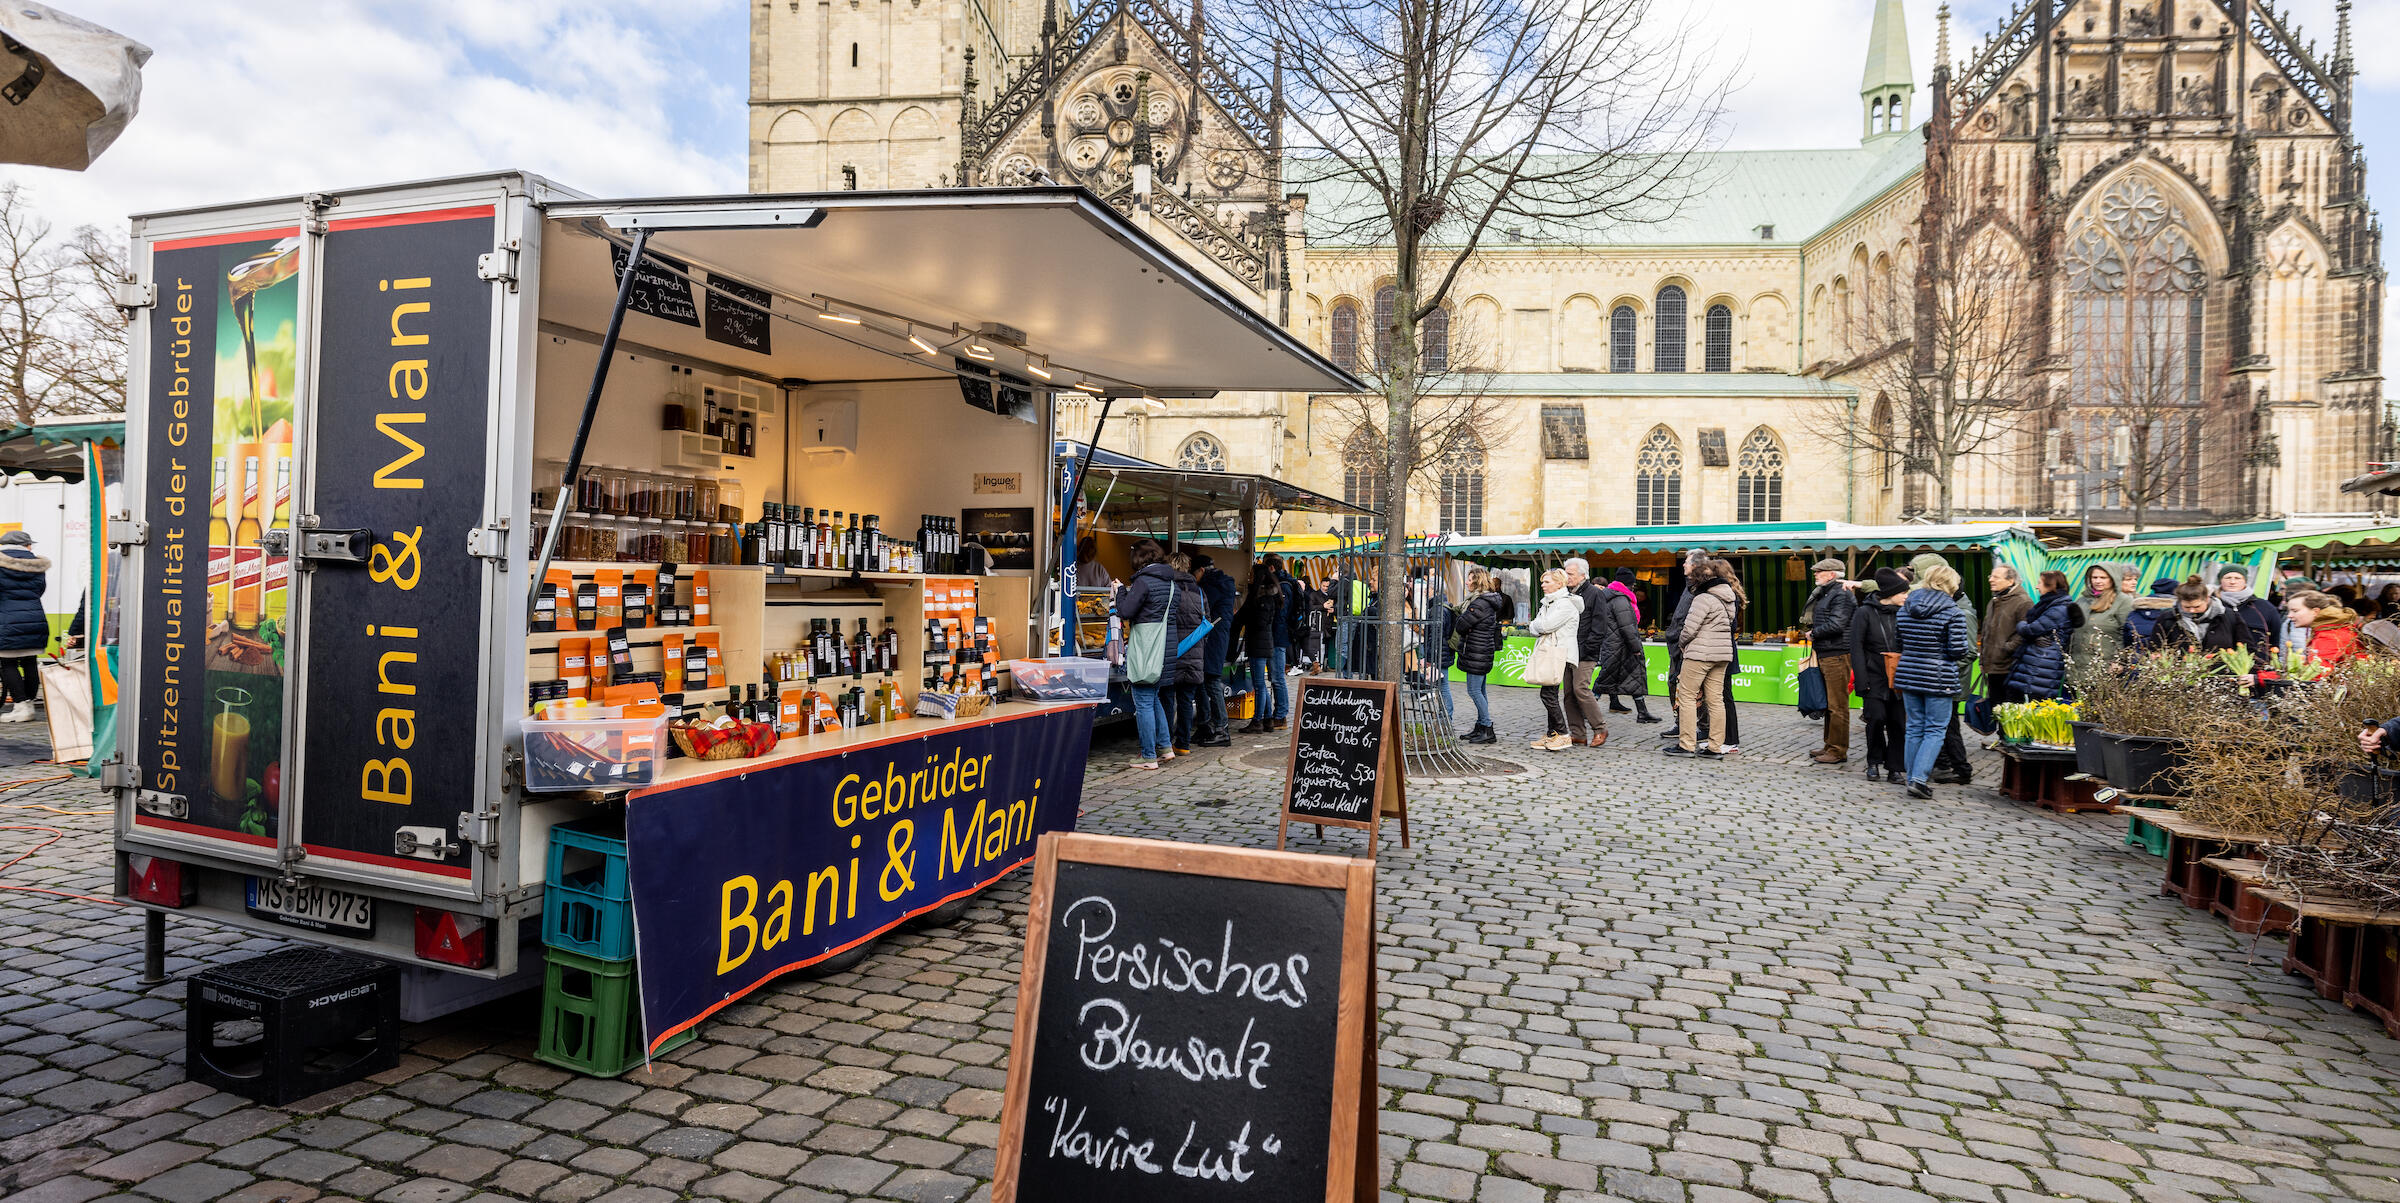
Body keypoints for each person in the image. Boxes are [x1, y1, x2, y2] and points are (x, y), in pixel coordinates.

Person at [1894, 564, 1974, 799]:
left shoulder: (1906, 607)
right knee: (1935, 729)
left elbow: (1898, 642)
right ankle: (1919, 779)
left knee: (1914, 728)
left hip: (1909, 673)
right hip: (1939, 677)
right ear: (1951, 584)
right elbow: (1959, 650)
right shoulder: (1953, 612)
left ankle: (1911, 777)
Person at [1113, 538, 1178, 768]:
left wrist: (1120, 590)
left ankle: (1149, 756)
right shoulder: (1171, 582)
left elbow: (1125, 611)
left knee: (1143, 702)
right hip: (1165, 650)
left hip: (1147, 650)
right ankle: (1165, 747)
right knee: (1154, 698)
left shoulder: (1144, 581)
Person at [1667, 560, 1737, 759]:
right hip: (1722, 653)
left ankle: (1686, 744)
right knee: (1716, 700)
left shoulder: (1703, 598)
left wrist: (1682, 644)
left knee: (1687, 696)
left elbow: (1689, 629)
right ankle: (1715, 747)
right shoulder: (1728, 597)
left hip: (1700, 653)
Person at [1848, 568, 1910, 783]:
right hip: (1873, 676)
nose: (1906, 596)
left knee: (1898, 724)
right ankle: (1873, 762)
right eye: (1903, 592)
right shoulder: (1864, 612)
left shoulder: (1905, 612)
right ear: (1891, 593)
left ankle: (1895, 768)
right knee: (1876, 720)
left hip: (1900, 677)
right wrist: (1861, 680)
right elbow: (1856, 647)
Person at [1803, 558, 1857, 765]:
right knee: (1830, 705)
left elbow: (1837, 624)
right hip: (1829, 651)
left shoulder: (1840, 594)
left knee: (1837, 705)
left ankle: (1837, 750)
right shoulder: (1830, 593)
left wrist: (1814, 633)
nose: (1815, 574)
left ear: (1831, 574)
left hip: (1837, 652)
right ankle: (1830, 745)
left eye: (1819, 571)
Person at [2139, 576, 2269, 660]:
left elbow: (2247, 648)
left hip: (2221, 680)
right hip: (2180, 680)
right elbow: (2155, 649)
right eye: (2186, 607)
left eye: (2196, 606)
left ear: (2207, 599)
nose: (2191, 610)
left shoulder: (2228, 616)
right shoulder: (2168, 618)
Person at [1526, 568, 1583, 752]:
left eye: (1547, 582)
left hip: (1559, 654)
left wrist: (1536, 625)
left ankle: (1563, 734)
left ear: (1559, 583)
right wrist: (1537, 625)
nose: (1543, 585)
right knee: (1549, 693)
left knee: (1548, 694)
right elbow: (1536, 626)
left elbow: (1545, 625)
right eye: (1542, 581)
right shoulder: (1549, 603)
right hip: (1553, 652)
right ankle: (1552, 735)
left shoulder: (1564, 604)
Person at [1558, 558, 1612, 747]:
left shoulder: (1594, 594)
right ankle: (1578, 733)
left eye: (1570, 574)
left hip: (1585, 651)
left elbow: (1600, 626)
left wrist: (1589, 648)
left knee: (1580, 689)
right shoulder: (1565, 593)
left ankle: (1600, 728)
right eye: (1565, 573)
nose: (1567, 577)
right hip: (1567, 650)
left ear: (1583, 575)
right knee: (1568, 693)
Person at [1454, 568, 1511, 744]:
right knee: (1481, 690)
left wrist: (1464, 621)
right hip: (1481, 650)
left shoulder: (1480, 603)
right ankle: (1481, 726)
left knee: (1474, 690)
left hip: (1477, 652)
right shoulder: (1486, 601)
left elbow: (1461, 625)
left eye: (1470, 579)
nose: (1466, 582)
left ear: (1477, 581)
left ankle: (1487, 728)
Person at [2005, 571, 2079, 701]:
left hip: (2041, 667)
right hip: (2040, 665)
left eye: (2040, 583)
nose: (2037, 587)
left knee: (2034, 707)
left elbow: (2030, 630)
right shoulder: (2052, 605)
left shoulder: (2058, 609)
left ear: (2051, 586)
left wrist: (2022, 623)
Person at [1162, 552, 1209, 755]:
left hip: (1172, 653)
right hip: (1194, 654)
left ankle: (1165, 741)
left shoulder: (1168, 590)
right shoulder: (1200, 592)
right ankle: (1183, 744)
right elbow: (1206, 622)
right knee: (1186, 701)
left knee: (1166, 698)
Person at [1234, 558, 1286, 736]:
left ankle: (1257, 720)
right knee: (1262, 684)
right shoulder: (1271, 596)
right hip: (1266, 642)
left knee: (1259, 684)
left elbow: (1251, 620)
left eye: (1251, 574)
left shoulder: (1259, 598)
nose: (1248, 577)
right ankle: (1267, 719)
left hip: (1258, 643)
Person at [1192, 553, 1238, 746]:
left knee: (1210, 681)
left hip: (1212, 639)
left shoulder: (1211, 586)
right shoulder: (1222, 582)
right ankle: (1206, 726)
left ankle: (1221, 729)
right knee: (1203, 682)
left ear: (1201, 570)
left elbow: (1201, 610)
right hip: (1217, 638)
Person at [0, 531, 46, 722]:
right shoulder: (37, 565)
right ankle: (28, 704)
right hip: (35, 618)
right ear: (24, 545)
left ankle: (21, 706)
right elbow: (40, 589)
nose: (31, 547)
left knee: (7, 663)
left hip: (7, 620)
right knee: (29, 661)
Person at [1703, 558, 1746, 752]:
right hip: (1725, 647)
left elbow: (1732, 625)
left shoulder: (1726, 595)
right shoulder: (1730, 592)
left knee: (1724, 696)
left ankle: (1729, 741)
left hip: (1723, 649)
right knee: (1719, 695)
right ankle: (1720, 738)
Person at [1603, 569, 1656, 721]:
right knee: (1605, 680)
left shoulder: (1613, 596)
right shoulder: (1621, 600)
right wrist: (1636, 648)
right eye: (1633, 584)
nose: (1634, 587)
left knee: (1633, 678)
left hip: (1615, 645)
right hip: (1621, 647)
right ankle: (1587, 709)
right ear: (1628, 584)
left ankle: (1642, 712)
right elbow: (1627, 627)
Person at [1980, 565, 2033, 707]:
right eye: (1990, 576)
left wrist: (2007, 648)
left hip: (2011, 668)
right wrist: (1983, 659)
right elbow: (1987, 631)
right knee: (1996, 710)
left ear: (2010, 581)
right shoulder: (1994, 601)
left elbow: (2026, 632)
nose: (1991, 580)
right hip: (1993, 667)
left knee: (2011, 713)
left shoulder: (2023, 602)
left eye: (1996, 577)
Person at [2070, 564, 2134, 668]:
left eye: (2103, 578)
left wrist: (2120, 660)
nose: (2097, 581)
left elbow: (2128, 634)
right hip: (2077, 665)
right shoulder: (2082, 601)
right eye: (2094, 577)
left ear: (2113, 579)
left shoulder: (2123, 601)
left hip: (2107, 666)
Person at [2286, 591, 2366, 667]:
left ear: (2315, 611)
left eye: (2295, 611)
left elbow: (2318, 673)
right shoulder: (2330, 629)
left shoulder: (2330, 635)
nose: (2289, 615)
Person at [2218, 567, 2283, 653]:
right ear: (2220, 581)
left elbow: (2276, 639)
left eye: (2237, 578)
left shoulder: (2264, 607)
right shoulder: (2213, 606)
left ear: (2245, 581)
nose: (2232, 582)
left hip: (2257, 663)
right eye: (2227, 578)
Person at [2124, 576, 2184, 647]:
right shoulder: (2176, 613)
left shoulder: (2135, 612)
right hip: (2165, 656)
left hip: (2137, 655)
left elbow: (2127, 639)